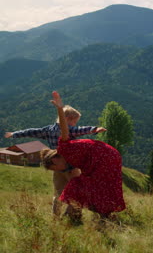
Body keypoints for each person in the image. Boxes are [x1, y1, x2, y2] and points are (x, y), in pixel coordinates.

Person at [4, 105, 106, 219]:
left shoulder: (48, 130)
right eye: (74, 122)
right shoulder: (67, 130)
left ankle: (55, 217)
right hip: (70, 168)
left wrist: (15, 134)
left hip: (56, 167)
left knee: (58, 193)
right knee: (78, 191)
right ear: (67, 119)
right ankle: (72, 216)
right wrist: (94, 129)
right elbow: (80, 130)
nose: (75, 125)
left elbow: (32, 131)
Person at [40, 91, 126, 219]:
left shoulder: (64, 147)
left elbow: (64, 128)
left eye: (55, 168)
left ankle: (90, 216)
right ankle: (101, 216)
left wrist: (60, 109)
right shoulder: (66, 161)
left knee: (86, 186)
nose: (59, 170)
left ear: (55, 159)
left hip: (105, 157)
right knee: (93, 187)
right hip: (102, 159)